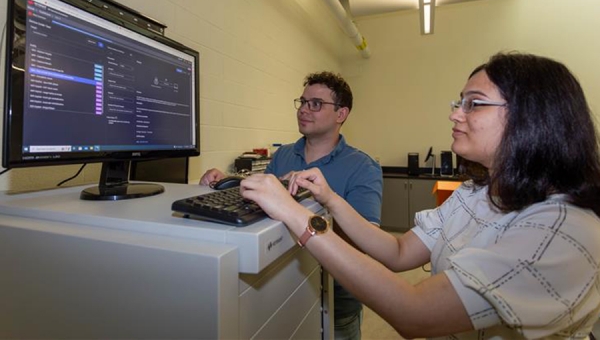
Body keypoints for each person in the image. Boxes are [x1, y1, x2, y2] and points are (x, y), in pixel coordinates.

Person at [240, 52, 600, 339]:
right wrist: (331, 199)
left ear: (531, 118)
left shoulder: (563, 228)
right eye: (459, 102)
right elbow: (398, 252)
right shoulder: (476, 193)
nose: (454, 114)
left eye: (473, 104)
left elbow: (414, 313)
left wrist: (298, 216)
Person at [200, 71, 383, 340]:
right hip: (281, 289)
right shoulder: (285, 154)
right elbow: (263, 203)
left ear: (341, 114)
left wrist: (316, 206)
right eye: (302, 102)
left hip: (335, 302)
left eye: (316, 104)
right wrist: (229, 180)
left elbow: (367, 242)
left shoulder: (363, 167)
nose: (304, 110)